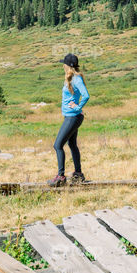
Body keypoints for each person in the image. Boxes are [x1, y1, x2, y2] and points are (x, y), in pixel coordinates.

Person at [49, 53, 89, 187]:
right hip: (71, 116)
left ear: (68, 66)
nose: (62, 65)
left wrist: (78, 107)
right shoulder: (70, 77)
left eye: (64, 63)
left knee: (58, 145)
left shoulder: (76, 79)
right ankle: (78, 174)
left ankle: (60, 176)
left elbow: (86, 95)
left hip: (73, 116)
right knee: (72, 145)